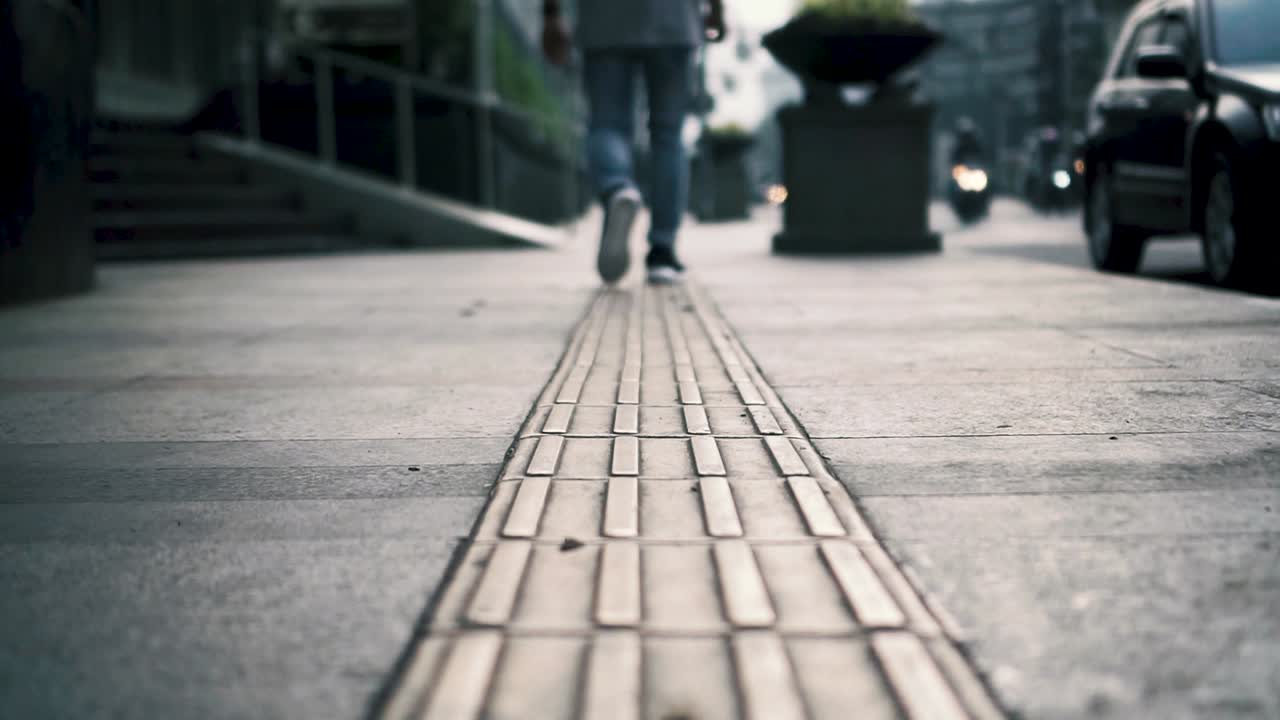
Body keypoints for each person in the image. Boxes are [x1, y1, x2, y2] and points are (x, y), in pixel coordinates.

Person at [542, 0, 726, 285]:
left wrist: (551, 14)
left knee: (607, 123)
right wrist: (716, 10)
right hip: (673, 18)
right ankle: (662, 253)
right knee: (668, 134)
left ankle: (617, 188)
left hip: (605, 18)